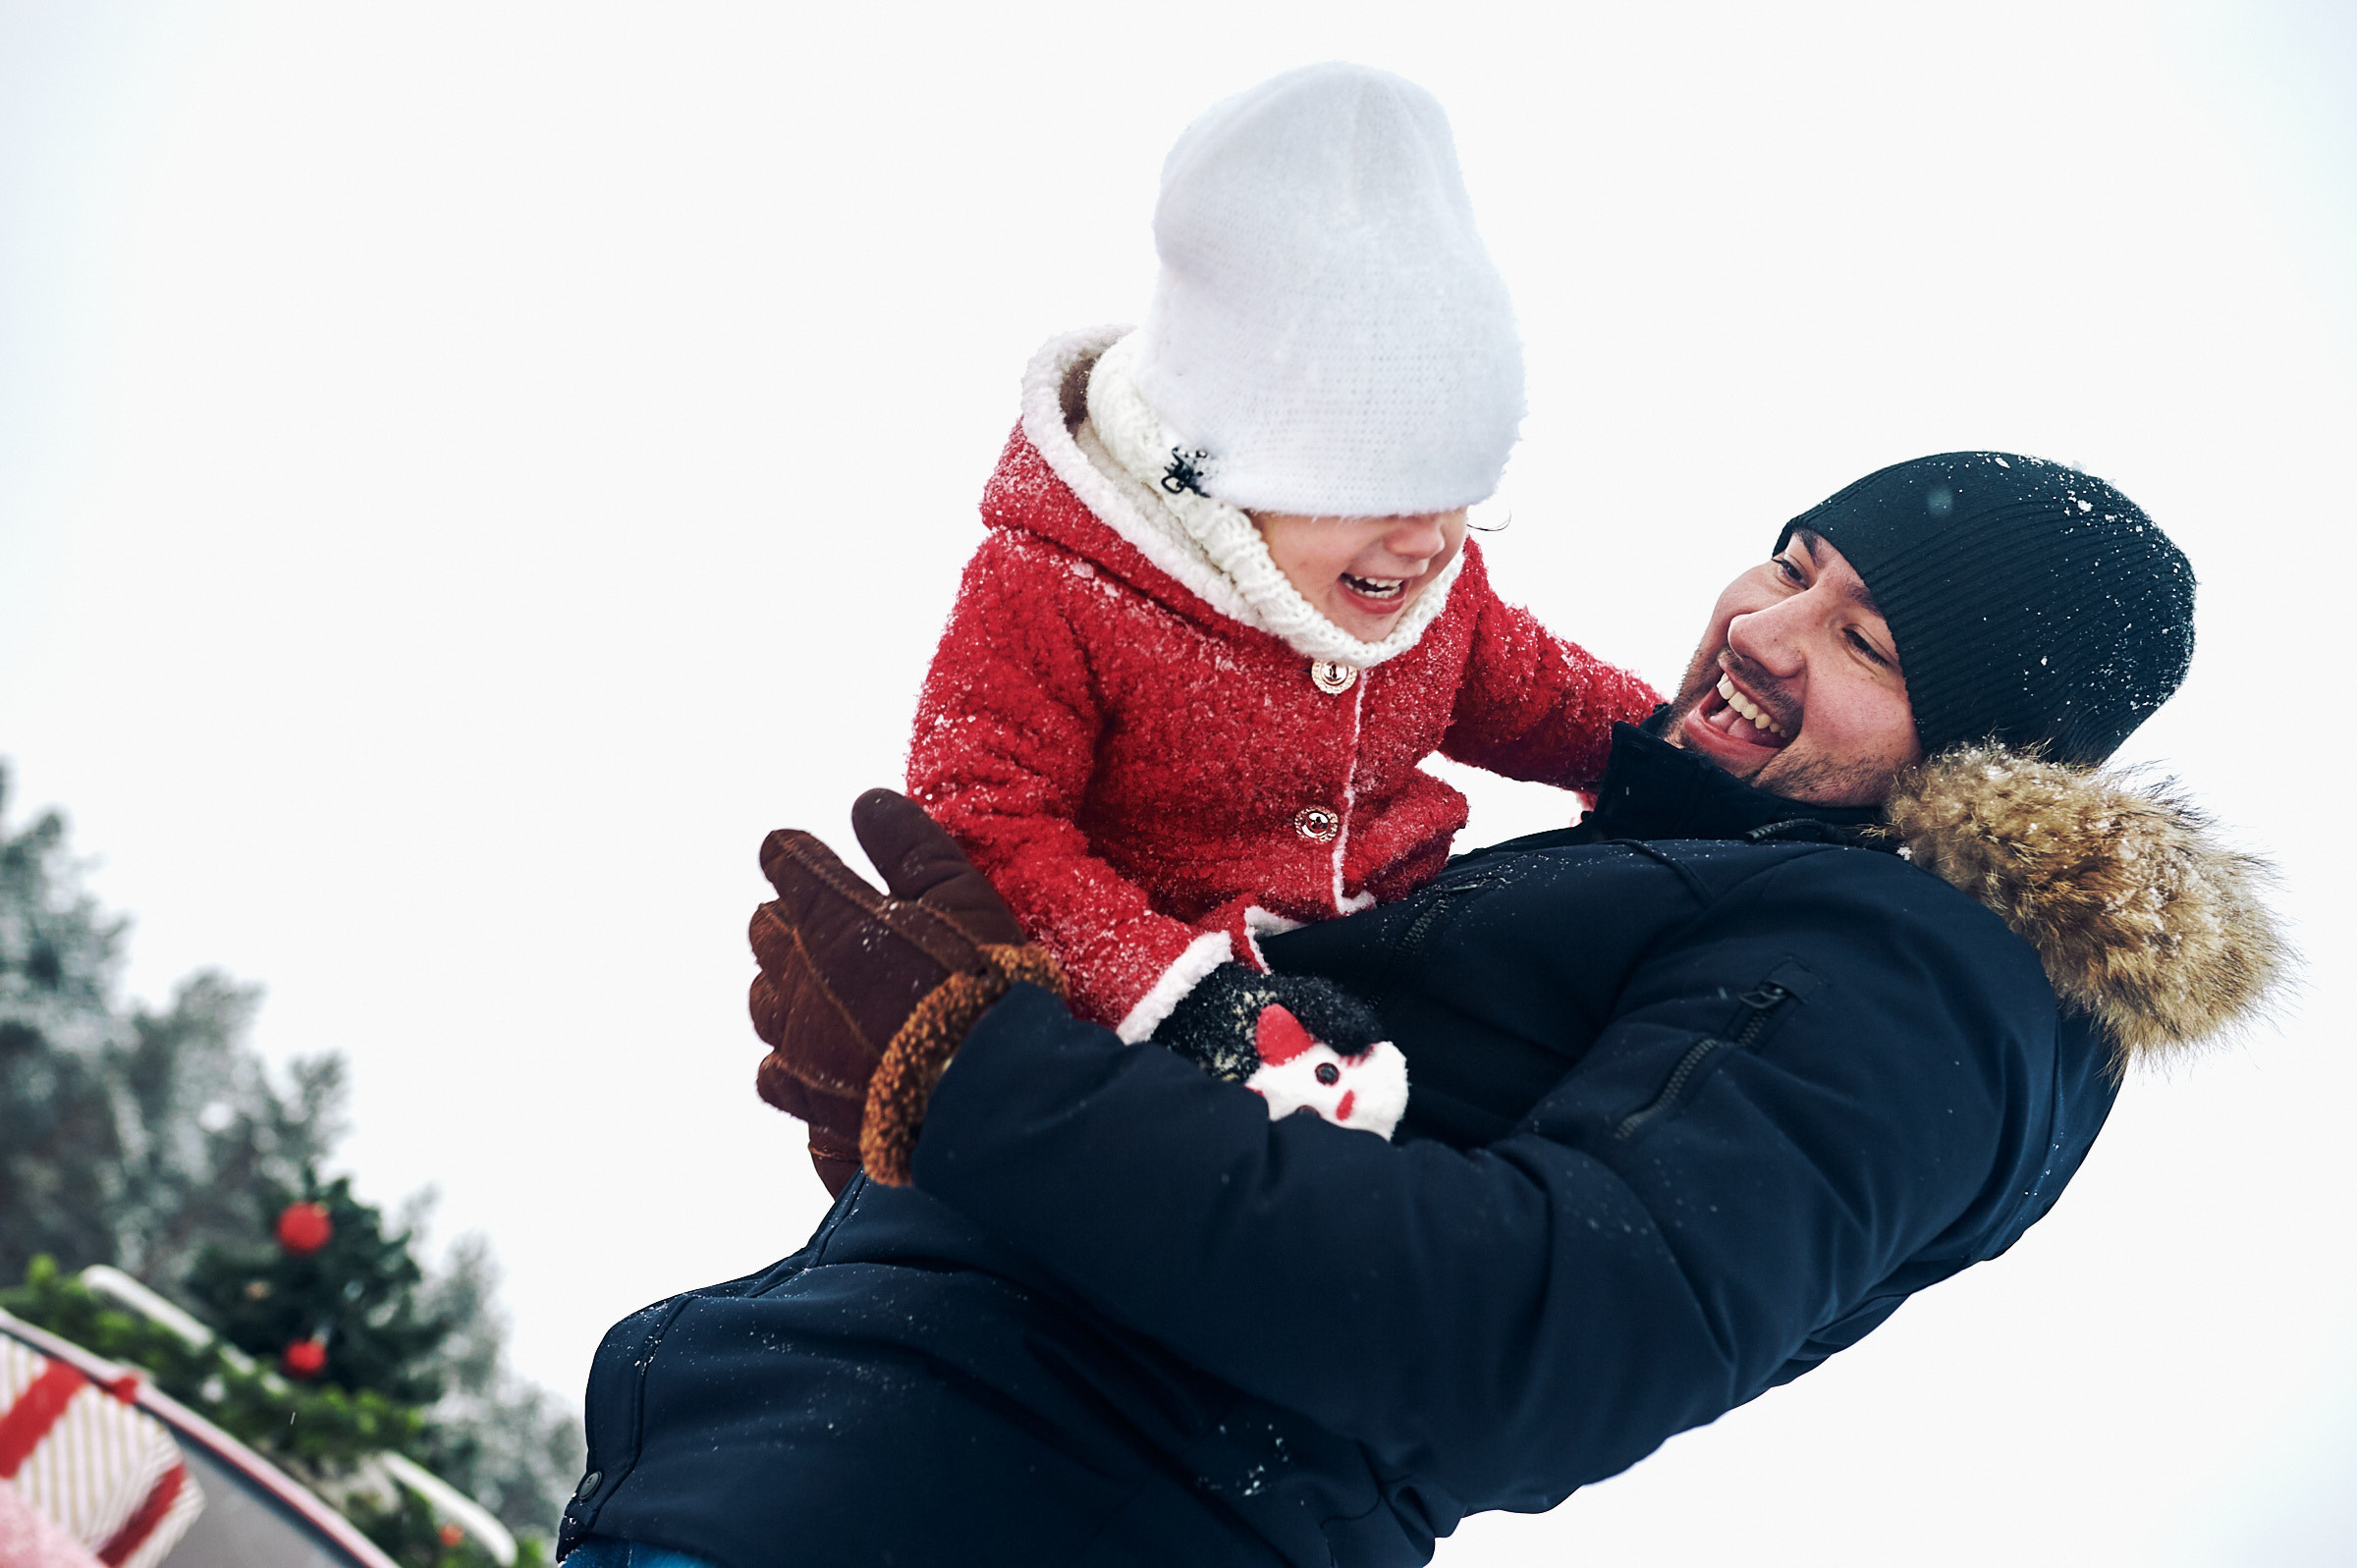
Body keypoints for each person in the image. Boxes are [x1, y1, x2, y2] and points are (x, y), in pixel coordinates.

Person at [561, 453, 2283, 1568]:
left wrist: (979, 1079)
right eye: (1791, 565)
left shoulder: (1919, 976)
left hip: (1023, 1501)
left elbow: (1543, 1333)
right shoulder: (1746, 880)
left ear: (1987, 758)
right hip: (873, 1476)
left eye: (1870, 644)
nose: (1768, 630)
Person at [757, 64, 1660, 1186]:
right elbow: (987, 816)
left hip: (1405, 961)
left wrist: (1667, 753)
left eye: (1460, 490)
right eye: (1379, 490)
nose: (1431, 542)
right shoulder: (1059, 583)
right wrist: (1187, 1002)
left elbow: (1530, 687)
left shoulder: (1422, 585)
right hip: (1162, 1031)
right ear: (1225, 461)